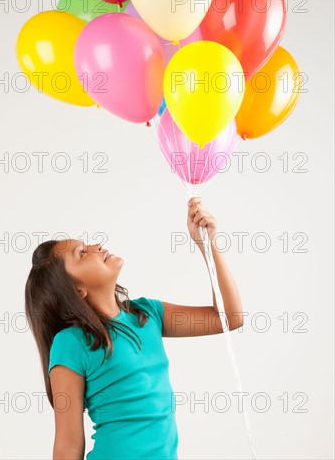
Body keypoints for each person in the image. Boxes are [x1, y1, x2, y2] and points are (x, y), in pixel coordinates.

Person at [25, 197, 244, 459]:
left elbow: (229, 318)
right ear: (77, 290)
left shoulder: (148, 314)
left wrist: (208, 246)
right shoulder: (70, 344)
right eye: (82, 253)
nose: (96, 245)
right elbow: (69, 445)